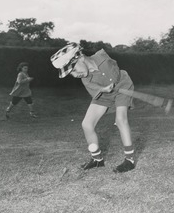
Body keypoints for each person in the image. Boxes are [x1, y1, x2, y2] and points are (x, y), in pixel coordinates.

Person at [51, 43, 135, 173]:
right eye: (71, 73)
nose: (74, 75)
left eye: (73, 69)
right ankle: (97, 160)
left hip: (122, 87)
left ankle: (130, 160)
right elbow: (96, 91)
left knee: (120, 120)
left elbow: (115, 72)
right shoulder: (85, 79)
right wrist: (104, 88)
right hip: (104, 94)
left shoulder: (102, 57)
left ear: (80, 58)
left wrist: (113, 84)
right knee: (87, 124)